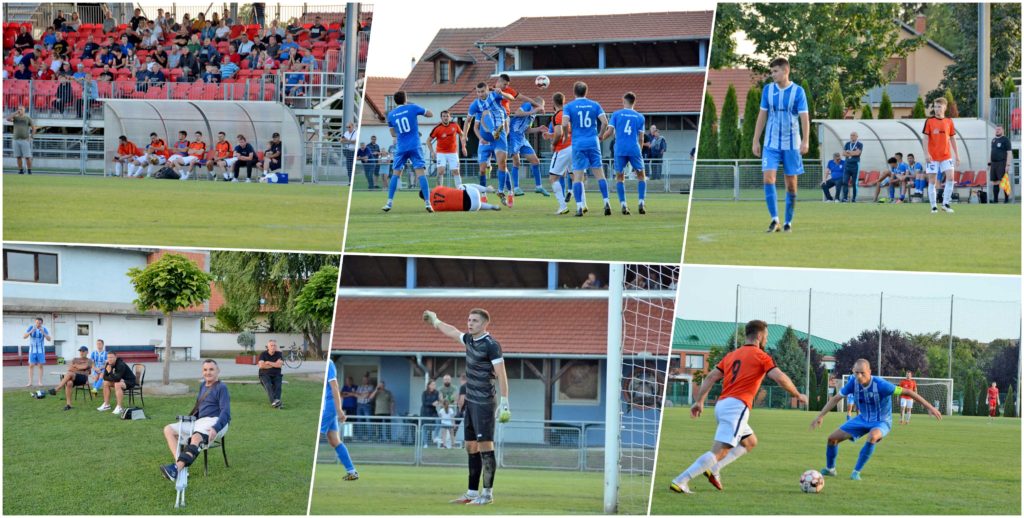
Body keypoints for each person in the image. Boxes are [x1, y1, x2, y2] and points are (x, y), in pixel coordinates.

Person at [669, 319, 807, 494]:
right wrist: (797, 394)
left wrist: (700, 401)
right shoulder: (761, 356)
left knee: (750, 442)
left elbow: (711, 377)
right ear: (759, 335)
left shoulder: (731, 355)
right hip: (737, 407)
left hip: (723, 405)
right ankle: (681, 480)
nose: (766, 340)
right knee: (720, 450)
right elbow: (780, 377)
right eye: (766, 336)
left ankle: (715, 469)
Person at [423, 308, 511, 505]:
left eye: (475, 321)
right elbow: (453, 331)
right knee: (470, 447)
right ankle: (472, 493)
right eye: (469, 320)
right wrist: (436, 321)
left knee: (485, 446)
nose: (470, 323)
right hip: (470, 403)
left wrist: (505, 402)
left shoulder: (492, 345)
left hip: (485, 403)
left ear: (485, 324)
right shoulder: (470, 340)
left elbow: (502, 374)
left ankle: (487, 494)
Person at [812, 359, 940, 480]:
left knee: (873, 436)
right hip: (862, 419)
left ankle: (856, 472)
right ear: (853, 371)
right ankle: (830, 469)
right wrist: (820, 416)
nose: (859, 376)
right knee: (832, 439)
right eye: (856, 373)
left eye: (862, 373)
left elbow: (909, 392)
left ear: (869, 371)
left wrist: (929, 407)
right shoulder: (853, 383)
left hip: (882, 421)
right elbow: (835, 398)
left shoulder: (882, 385)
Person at [752, 57, 809, 233]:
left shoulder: (798, 92)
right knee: (768, 178)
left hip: (792, 144)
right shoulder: (768, 90)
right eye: (772, 72)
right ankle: (775, 219)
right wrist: (756, 139)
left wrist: (806, 140)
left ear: (786, 71)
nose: (773, 75)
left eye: (775, 71)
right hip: (771, 143)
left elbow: (804, 118)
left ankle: (788, 222)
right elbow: (762, 115)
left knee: (791, 184)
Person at [160, 359, 232, 481]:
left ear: (218, 371)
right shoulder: (202, 385)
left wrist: (216, 427)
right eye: (205, 370)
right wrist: (190, 418)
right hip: (199, 421)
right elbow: (200, 408)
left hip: (215, 420)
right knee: (168, 429)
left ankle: (176, 468)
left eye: (211, 369)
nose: (208, 372)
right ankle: (180, 466)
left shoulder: (221, 387)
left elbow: (226, 411)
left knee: (196, 437)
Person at [383, 90, 434, 212]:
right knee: (421, 174)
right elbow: (430, 114)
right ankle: (427, 203)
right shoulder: (413, 107)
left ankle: (389, 203)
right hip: (415, 145)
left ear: (395, 101)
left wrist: (402, 133)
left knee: (396, 174)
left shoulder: (391, 114)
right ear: (405, 99)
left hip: (401, 147)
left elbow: (392, 133)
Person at [563, 81, 609, 217]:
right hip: (593, 142)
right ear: (586, 92)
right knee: (600, 174)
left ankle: (578, 207)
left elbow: (564, 123)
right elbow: (605, 122)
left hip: (578, 143)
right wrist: (600, 135)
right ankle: (606, 203)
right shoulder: (595, 104)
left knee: (577, 176)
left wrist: (566, 135)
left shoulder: (569, 106)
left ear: (574, 92)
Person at [601, 92, 647, 215]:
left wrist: (600, 138)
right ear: (634, 102)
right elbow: (641, 138)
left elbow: (609, 132)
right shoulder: (640, 117)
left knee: (620, 177)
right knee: (641, 176)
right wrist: (639, 152)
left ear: (623, 101)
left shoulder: (616, 114)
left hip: (620, 149)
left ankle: (623, 205)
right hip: (634, 148)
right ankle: (641, 202)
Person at [321, 360, 359, 480]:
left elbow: (335, 386)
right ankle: (352, 471)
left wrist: (339, 410)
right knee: (334, 440)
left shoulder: (329, 363)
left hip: (327, 405)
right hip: (329, 405)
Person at [922, 97, 960, 213]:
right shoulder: (929, 121)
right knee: (932, 181)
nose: (937, 109)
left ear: (944, 107)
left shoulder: (949, 121)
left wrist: (957, 155)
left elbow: (953, 138)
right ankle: (933, 206)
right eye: (935, 106)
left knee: (951, 178)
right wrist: (926, 154)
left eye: (939, 106)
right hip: (933, 157)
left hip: (946, 156)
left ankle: (946, 203)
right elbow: (925, 138)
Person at [507, 97, 550, 197]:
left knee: (535, 161)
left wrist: (539, 129)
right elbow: (517, 113)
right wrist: (533, 111)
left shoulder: (533, 115)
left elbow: (527, 130)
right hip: (513, 136)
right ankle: (516, 188)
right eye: (542, 106)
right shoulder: (528, 105)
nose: (542, 109)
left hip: (522, 137)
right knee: (516, 162)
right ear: (538, 104)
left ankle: (539, 187)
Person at [429, 111, 467, 187]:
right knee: (441, 171)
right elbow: (428, 141)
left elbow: (462, 135)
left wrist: (463, 147)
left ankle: (460, 189)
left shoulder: (455, 125)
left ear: (449, 117)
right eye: (444, 116)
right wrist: (432, 152)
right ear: (441, 118)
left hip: (453, 152)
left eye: (447, 116)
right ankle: (439, 189)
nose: (446, 118)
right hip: (441, 153)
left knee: (456, 171)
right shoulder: (437, 128)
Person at [49, 346, 94, 410]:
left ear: (87, 352)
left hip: (83, 378)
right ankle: (68, 405)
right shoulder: (75, 359)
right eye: (80, 351)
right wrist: (78, 367)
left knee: (70, 374)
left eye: (83, 351)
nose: (81, 352)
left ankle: (57, 389)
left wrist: (76, 366)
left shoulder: (89, 360)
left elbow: (84, 367)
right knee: (69, 382)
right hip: (74, 376)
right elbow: (70, 368)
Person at [421, 184, 502, 212]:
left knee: (475, 204)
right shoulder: (436, 189)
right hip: (473, 193)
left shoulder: (434, 208)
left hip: (471, 207)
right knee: (460, 186)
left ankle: (492, 206)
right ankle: (488, 189)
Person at [22, 317, 51, 387]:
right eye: (37, 322)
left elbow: (49, 339)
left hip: (41, 350)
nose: (38, 324)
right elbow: (24, 336)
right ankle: (30, 382)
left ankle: (40, 382)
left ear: (42, 323)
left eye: (40, 323)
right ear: (35, 322)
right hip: (32, 350)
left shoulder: (44, 329)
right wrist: (30, 332)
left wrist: (43, 332)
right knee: (31, 365)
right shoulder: (31, 327)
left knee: (40, 366)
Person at [7, 107, 34, 175]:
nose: (20, 110)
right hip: (16, 140)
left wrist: (31, 136)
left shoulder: (28, 118)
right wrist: (15, 113)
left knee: (27, 157)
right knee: (18, 156)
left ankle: (29, 171)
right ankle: (20, 170)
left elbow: (33, 128)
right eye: (19, 109)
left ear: (24, 110)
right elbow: (8, 119)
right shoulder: (15, 118)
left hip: (25, 140)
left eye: (21, 109)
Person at [257, 340, 284, 408]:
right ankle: (276, 402)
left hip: (276, 374)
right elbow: (261, 366)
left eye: (274, 345)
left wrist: (268, 362)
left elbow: (279, 365)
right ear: (268, 347)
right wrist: (274, 364)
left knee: (278, 386)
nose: (273, 347)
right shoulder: (263, 354)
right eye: (271, 345)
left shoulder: (279, 354)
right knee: (268, 385)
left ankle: (276, 402)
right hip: (264, 374)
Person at [989, 125, 1012, 203]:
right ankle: (996, 200)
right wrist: (989, 163)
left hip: (1002, 163)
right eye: (996, 129)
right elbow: (992, 152)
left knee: (1004, 181)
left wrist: (1008, 165)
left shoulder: (1005, 140)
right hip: (994, 164)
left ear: (1002, 130)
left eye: (999, 129)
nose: (997, 131)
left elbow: (1009, 153)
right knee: (995, 182)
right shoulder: (993, 140)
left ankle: (1006, 200)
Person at [355, 374, 375, 441]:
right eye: (363, 379)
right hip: (359, 405)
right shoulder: (359, 387)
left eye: (366, 379)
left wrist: (361, 395)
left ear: (368, 380)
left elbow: (367, 395)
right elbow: (356, 394)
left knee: (368, 421)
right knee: (359, 421)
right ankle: (360, 437)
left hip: (367, 405)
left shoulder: (371, 387)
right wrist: (361, 395)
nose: (364, 381)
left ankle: (370, 438)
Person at [421, 380, 440, 448]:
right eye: (432, 384)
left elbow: (437, 400)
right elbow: (424, 403)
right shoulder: (424, 393)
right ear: (429, 385)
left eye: (435, 384)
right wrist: (432, 403)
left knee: (438, 421)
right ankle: (425, 444)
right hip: (425, 412)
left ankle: (435, 436)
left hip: (433, 411)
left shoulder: (437, 392)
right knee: (425, 427)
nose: (434, 386)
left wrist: (437, 402)